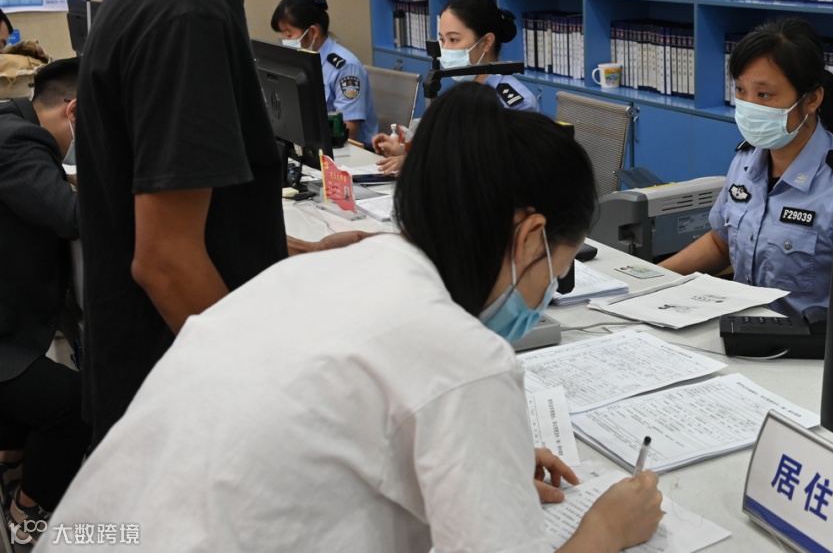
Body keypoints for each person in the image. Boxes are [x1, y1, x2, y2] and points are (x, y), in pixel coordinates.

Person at [44, 83, 663, 552]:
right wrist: (605, 532)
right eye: (557, 270)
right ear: (530, 238)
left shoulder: (330, 270)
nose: (549, 290)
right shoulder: (463, 357)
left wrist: (483, 463)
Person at [74, 0, 445, 448]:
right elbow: (165, 261)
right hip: (180, 408)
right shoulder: (185, 11)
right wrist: (285, 410)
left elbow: (188, 225)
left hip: (157, 382)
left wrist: (298, 253)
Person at [660, 18, 833, 315]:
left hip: (807, 342)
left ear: (811, 99)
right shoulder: (746, 161)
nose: (749, 105)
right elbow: (721, 244)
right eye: (740, 90)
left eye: (764, 95)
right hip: (740, 328)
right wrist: (651, 279)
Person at [0, 58, 90, 545]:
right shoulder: (16, 141)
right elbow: (70, 217)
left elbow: (44, 187)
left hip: (10, 319)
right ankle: (28, 511)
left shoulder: (13, 121)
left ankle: (11, 458)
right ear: (73, 112)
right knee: (75, 405)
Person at [373, 0, 537, 172]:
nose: (445, 50)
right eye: (442, 40)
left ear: (486, 42)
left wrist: (419, 165)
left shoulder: (515, 104)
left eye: (453, 40)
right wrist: (407, 152)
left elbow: (498, 170)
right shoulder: (462, 92)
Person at [270, 0, 378, 146]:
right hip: (313, 145)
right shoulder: (302, 60)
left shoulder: (346, 67)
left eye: (289, 35)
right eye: (282, 36)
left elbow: (349, 130)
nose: (285, 41)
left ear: (313, 32)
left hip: (350, 150)